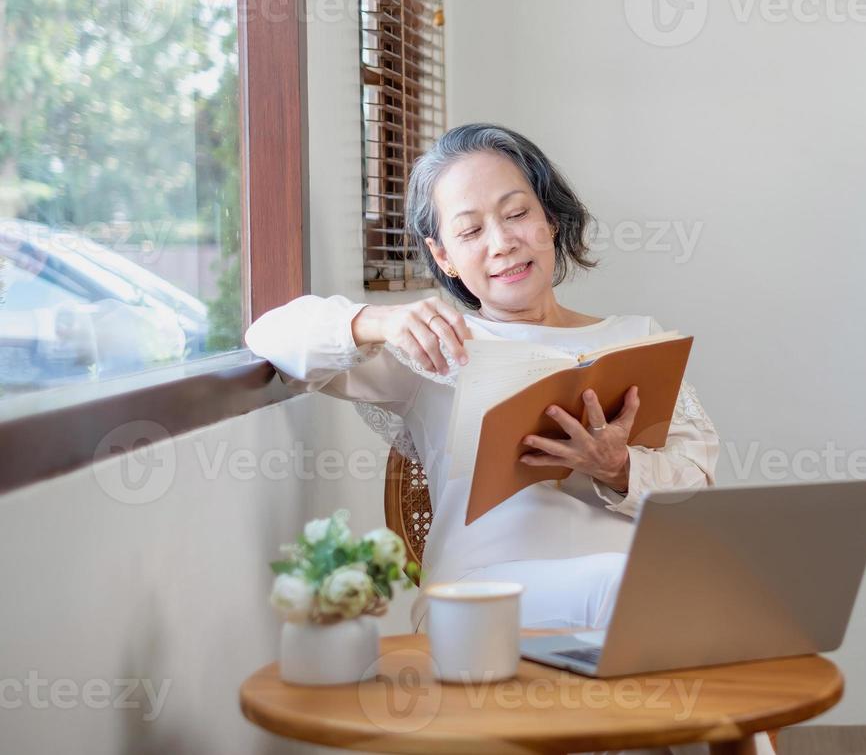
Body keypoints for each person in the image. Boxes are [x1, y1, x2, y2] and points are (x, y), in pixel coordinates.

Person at [243, 123, 720, 634]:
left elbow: (697, 483)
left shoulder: (637, 339)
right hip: (478, 601)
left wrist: (619, 466)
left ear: (551, 221)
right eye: (470, 231)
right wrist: (380, 322)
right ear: (444, 255)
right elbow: (270, 334)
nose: (503, 243)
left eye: (517, 214)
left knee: (694, 585)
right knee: (641, 591)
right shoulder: (433, 345)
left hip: (636, 594)